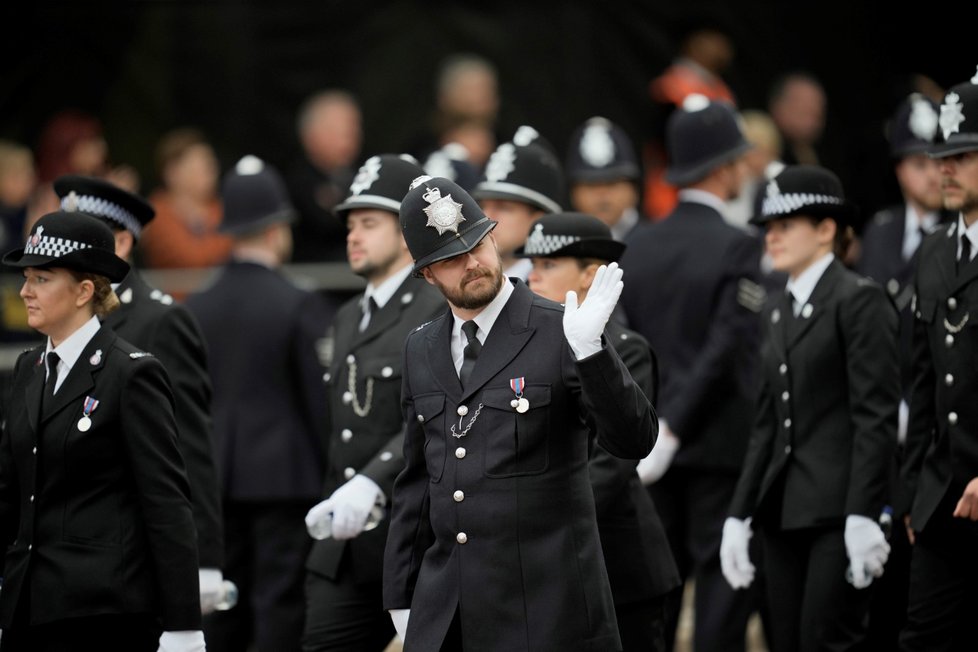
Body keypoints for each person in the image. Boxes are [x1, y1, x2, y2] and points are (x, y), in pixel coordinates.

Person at [382, 175, 657, 651]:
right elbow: (417, 481)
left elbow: (633, 440)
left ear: (493, 238)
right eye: (451, 259)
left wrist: (592, 353)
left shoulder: (561, 330)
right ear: (426, 273)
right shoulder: (420, 347)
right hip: (451, 610)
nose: (472, 264)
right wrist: (401, 594)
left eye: (477, 245)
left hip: (549, 611)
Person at [0, 211, 204, 650]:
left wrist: (184, 625)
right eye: (27, 277)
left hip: (103, 613)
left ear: (84, 291)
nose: (25, 291)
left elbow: (166, 504)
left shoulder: (130, 374)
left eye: (41, 278)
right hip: (29, 608)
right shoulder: (29, 368)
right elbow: (10, 494)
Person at [721, 164, 900, 651]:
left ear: (825, 230)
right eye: (768, 227)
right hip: (783, 509)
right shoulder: (776, 307)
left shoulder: (858, 300)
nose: (772, 237)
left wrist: (864, 513)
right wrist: (739, 515)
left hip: (838, 510)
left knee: (826, 640)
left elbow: (875, 419)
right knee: (785, 641)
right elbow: (767, 423)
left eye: (786, 225)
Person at [619, 93, 762, 652]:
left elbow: (627, 346)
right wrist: (676, 425)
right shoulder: (739, 246)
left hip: (649, 446)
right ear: (724, 167)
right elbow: (727, 345)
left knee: (659, 587)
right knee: (722, 594)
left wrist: (659, 426)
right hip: (719, 444)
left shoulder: (637, 244)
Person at [52, 174, 226, 614]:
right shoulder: (63, 316)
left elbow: (189, 445)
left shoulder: (160, 322)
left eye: (84, 236)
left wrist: (203, 560)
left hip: (136, 550)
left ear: (123, 244)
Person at [302, 154, 446, 651]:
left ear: (407, 231)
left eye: (369, 223)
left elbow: (436, 412)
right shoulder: (347, 315)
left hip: (415, 538)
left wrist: (372, 480)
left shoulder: (435, 306)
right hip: (345, 546)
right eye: (349, 224)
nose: (353, 235)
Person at [185, 156, 330, 652]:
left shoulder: (196, 306)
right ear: (276, 229)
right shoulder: (297, 303)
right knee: (279, 602)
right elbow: (318, 402)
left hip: (215, 479)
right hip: (284, 478)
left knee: (221, 603)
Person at [519, 211, 681, 651]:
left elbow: (614, 463)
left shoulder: (625, 348)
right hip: (553, 568)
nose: (534, 276)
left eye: (549, 265)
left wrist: (534, 522)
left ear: (591, 274)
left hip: (621, 568)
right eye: (532, 265)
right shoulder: (526, 350)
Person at [898, 71, 978, 652]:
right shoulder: (932, 251)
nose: (944, 168)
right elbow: (921, 378)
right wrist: (911, 490)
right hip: (940, 498)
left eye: (963, 154)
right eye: (940, 155)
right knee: (923, 639)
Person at [470, 139, 564, 280]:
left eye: (504, 207)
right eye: (482, 206)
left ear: (539, 220)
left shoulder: (559, 291)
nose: (486, 217)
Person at [286, 90, 363, 263]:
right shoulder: (296, 184)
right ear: (310, 135)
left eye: (354, 128)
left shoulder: (367, 174)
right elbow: (323, 223)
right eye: (338, 129)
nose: (349, 137)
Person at [140, 128, 231, 270]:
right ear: (173, 172)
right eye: (200, 166)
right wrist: (234, 238)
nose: (211, 172)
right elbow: (190, 258)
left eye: (211, 165)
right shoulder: (155, 213)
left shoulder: (218, 207)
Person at [566, 117, 648, 243]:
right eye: (591, 185)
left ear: (634, 190)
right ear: (573, 194)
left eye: (612, 183)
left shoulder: (660, 244)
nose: (602, 194)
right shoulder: (563, 250)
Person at [768, 72, 827, 167]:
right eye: (804, 112)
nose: (813, 122)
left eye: (817, 115)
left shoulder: (807, 155)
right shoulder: (763, 145)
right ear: (779, 106)